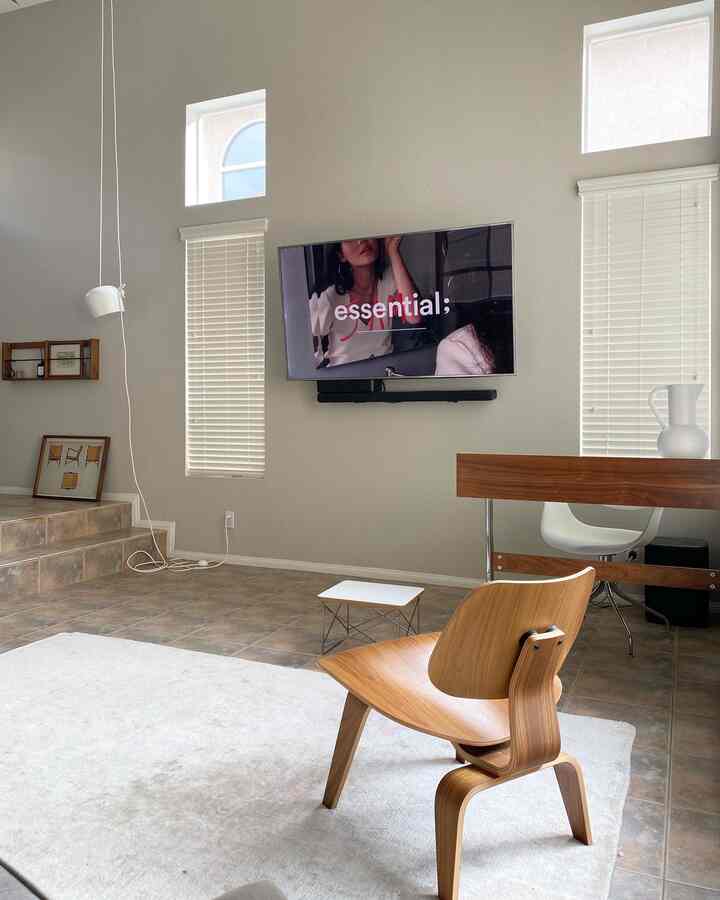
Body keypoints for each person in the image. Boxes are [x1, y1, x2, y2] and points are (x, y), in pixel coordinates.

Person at [309, 236, 421, 368]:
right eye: (350, 238)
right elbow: (305, 344)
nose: (361, 241)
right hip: (343, 378)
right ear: (341, 255)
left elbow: (414, 317)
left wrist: (393, 251)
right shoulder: (330, 296)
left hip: (384, 372)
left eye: (367, 234)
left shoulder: (389, 278)